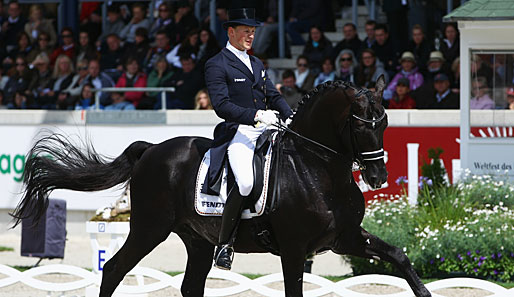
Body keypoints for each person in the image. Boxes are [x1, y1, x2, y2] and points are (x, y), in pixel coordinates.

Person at [203, 8, 293, 270]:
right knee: (244, 182)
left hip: (267, 126)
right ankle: (224, 245)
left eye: (253, 31)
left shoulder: (256, 63)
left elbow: (273, 95)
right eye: (246, 31)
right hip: (238, 131)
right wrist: (256, 115)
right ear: (231, 32)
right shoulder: (216, 64)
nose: (251, 36)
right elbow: (221, 106)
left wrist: (289, 115)